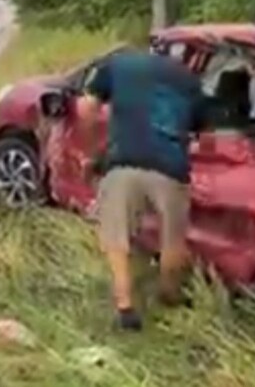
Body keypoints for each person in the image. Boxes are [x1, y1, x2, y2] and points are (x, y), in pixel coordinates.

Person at [77, 45, 207, 331]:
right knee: (173, 240)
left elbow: (85, 107)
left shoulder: (118, 64)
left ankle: (125, 307)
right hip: (171, 168)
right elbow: (199, 129)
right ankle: (169, 295)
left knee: (116, 235)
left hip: (123, 163)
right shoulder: (188, 78)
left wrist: (93, 151)